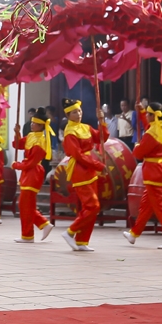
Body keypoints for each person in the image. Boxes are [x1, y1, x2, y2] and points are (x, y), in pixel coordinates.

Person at [124, 106, 162, 249]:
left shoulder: (151, 134)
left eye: (148, 114)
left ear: (153, 115)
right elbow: (148, 124)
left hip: (152, 172)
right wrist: (143, 112)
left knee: (161, 206)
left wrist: (137, 146)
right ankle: (134, 233)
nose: (146, 118)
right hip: (160, 169)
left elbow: (138, 154)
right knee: (146, 205)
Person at [61, 98, 104, 251]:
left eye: (79, 111)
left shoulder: (86, 127)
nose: (78, 114)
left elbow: (101, 138)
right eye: (74, 112)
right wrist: (98, 164)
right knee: (93, 206)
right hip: (80, 170)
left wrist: (102, 120)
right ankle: (70, 232)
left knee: (89, 207)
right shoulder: (69, 132)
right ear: (67, 115)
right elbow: (78, 155)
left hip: (90, 168)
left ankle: (82, 241)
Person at [12, 107, 53, 243]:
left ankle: (29, 234)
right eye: (32, 122)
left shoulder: (41, 140)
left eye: (34, 123)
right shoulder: (31, 136)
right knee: (26, 204)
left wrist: (17, 165)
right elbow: (17, 145)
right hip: (28, 173)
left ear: (41, 125)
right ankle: (42, 225)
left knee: (25, 204)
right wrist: (17, 133)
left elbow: (31, 163)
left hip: (33, 173)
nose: (31, 124)